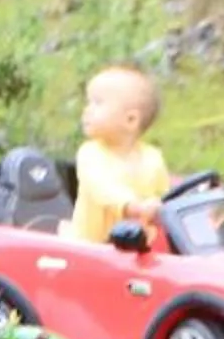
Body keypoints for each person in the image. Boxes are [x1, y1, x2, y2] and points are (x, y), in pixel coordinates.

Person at [70, 65, 170, 247]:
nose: (87, 110)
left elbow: (165, 196)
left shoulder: (152, 158)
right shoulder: (91, 154)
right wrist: (133, 206)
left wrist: (162, 207)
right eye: (89, 102)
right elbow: (103, 188)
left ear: (130, 120)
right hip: (90, 248)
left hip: (136, 247)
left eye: (98, 103)